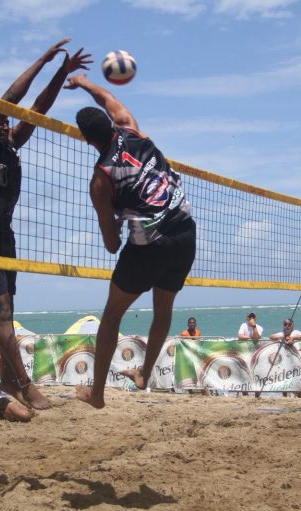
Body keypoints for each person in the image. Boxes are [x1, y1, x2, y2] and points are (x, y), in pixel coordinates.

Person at [0, 39, 91, 411]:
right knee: (0, 312)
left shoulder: (11, 142)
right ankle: (25, 385)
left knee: (7, 313)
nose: (6, 123)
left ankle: (11, 380)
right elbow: (12, 100)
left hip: (3, 236)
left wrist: (62, 72)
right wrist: (43, 59)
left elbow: (37, 108)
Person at [65, 74, 196, 409]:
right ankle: (144, 374)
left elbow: (111, 245)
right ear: (111, 124)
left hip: (149, 245)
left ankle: (96, 394)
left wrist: (115, 226)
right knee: (163, 309)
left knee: (112, 315)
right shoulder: (130, 126)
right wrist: (82, 81)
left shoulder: (101, 179)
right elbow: (107, 96)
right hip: (185, 231)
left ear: (87, 140)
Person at [270, 318, 301, 398]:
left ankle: (299, 394)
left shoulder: (295, 332)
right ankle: (285, 395)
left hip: (295, 359)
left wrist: (293, 338)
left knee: (297, 376)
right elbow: (271, 337)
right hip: (284, 360)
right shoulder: (282, 333)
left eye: (289, 324)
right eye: (285, 324)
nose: (287, 326)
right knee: (284, 377)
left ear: (293, 325)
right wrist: (282, 338)